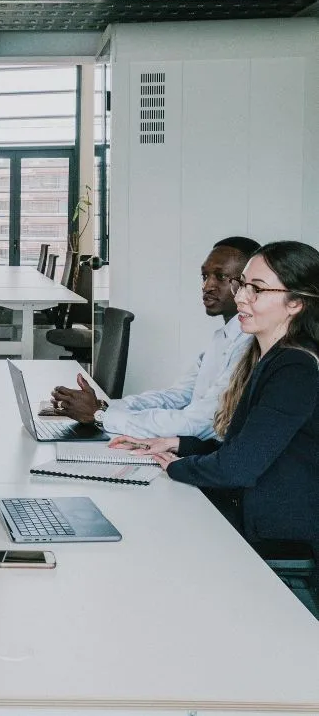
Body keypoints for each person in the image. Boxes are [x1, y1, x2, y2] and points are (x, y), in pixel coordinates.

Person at [111, 240, 319, 560]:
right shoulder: (268, 356)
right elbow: (244, 450)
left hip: (274, 535)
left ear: (295, 303)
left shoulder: (296, 367)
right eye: (243, 285)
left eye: (257, 290)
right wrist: (178, 444)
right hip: (252, 517)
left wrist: (178, 467)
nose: (241, 297)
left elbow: (237, 469)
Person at [50, 236, 260, 439]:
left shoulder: (249, 346)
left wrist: (101, 415)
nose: (207, 286)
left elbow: (201, 423)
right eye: (205, 276)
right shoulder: (222, 338)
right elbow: (176, 398)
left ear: (249, 284)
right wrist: (103, 407)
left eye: (221, 277)